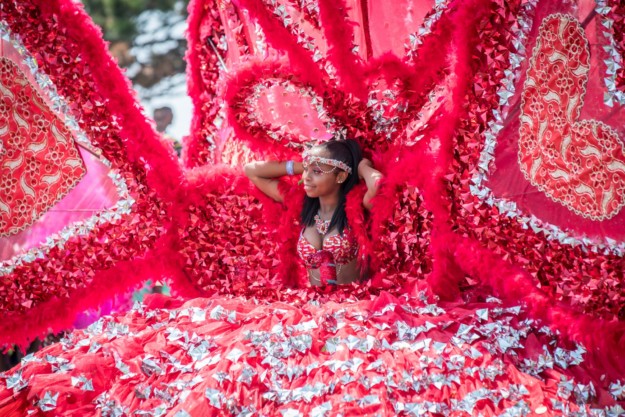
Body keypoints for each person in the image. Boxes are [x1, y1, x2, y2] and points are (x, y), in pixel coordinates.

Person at [244, 138, 382, 286]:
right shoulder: (303, 206)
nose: (306, 178)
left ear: (341, 176)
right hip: (314, 304)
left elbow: (377, 183)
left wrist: (361, 167)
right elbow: (252, 171)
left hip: (354, 304)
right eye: (306, 170)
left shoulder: (360, 208)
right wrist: (303, 166)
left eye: (316, 172)